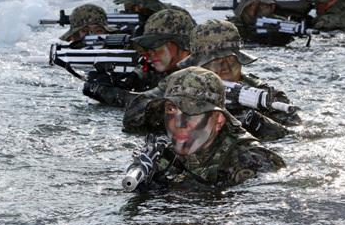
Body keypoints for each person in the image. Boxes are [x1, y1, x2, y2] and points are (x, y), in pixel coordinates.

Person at [123, 20, 299, 141]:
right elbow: (132, 115)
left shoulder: (263, 95)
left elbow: (294, 132)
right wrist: (178, 106)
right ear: (198, 64)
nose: (225, 67)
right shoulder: (180, 84)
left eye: (231, 59)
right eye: (214, 60)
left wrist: (251, 122)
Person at [133, 66, 286, 188]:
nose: (178, 124)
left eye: (193, 112)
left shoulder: (252, 161)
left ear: (219, 120)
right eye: (171, 109)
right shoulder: (166, 151)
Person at [83, 9, 196, 107]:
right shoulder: (163, 70)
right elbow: (145, 84)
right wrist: (119, 82)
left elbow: (154, 103)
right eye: (147, 47)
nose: (150, 52)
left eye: (156, 45)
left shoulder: (198, 73)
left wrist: (109, 93)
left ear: (182, 44)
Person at [227, 0, 295, 46]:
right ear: (243, 8)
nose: (257, 10)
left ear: (272, 7)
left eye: (263, 5)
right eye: (252, 5)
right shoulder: (231, 27)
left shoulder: (281, 25)